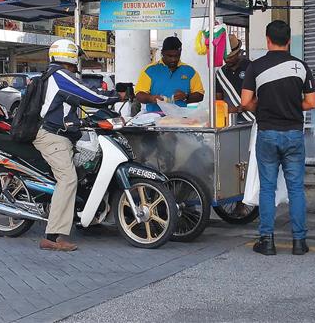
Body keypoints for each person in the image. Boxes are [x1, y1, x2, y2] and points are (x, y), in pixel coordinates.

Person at [241, 20, 315, 256]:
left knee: (268, 188)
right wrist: (292, 108)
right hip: (294, 133)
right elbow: (311, 103)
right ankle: (299, 242)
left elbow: (245, 102)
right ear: (289, 40)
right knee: (296, 189)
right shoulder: (301, 66)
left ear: (267, 39)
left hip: (268, 133)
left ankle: (267, 241)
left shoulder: (256, 67)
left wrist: (262, 109)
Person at [34, 39, 116, 252]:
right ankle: (52, 237)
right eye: (76, 58)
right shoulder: (60, 75)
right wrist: (115, 97)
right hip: (52, 137)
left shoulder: (52, 75)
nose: (76, 63)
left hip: (61, 134)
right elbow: (90, 95)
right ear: (69, 57)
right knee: (68, 179)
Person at [134, 36, 205, 113]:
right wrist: (151, 98)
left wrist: (186, 96)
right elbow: (139, 94)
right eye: (169, 56)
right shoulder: (150, 70)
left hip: (183, 119)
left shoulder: (189, 71)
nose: (173, 59)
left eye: (176, 56)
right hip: (155, 118)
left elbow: (200, 95)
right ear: (162, 53)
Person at [216, 35, 250, 111]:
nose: (227, 60)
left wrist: (239, 109)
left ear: (239, 53)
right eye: (224, 57)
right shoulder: (220, 74)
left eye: (230, 57)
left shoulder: (251, 68)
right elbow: (218, 98)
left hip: (251, 118)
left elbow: (259, 95)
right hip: (228, 118)